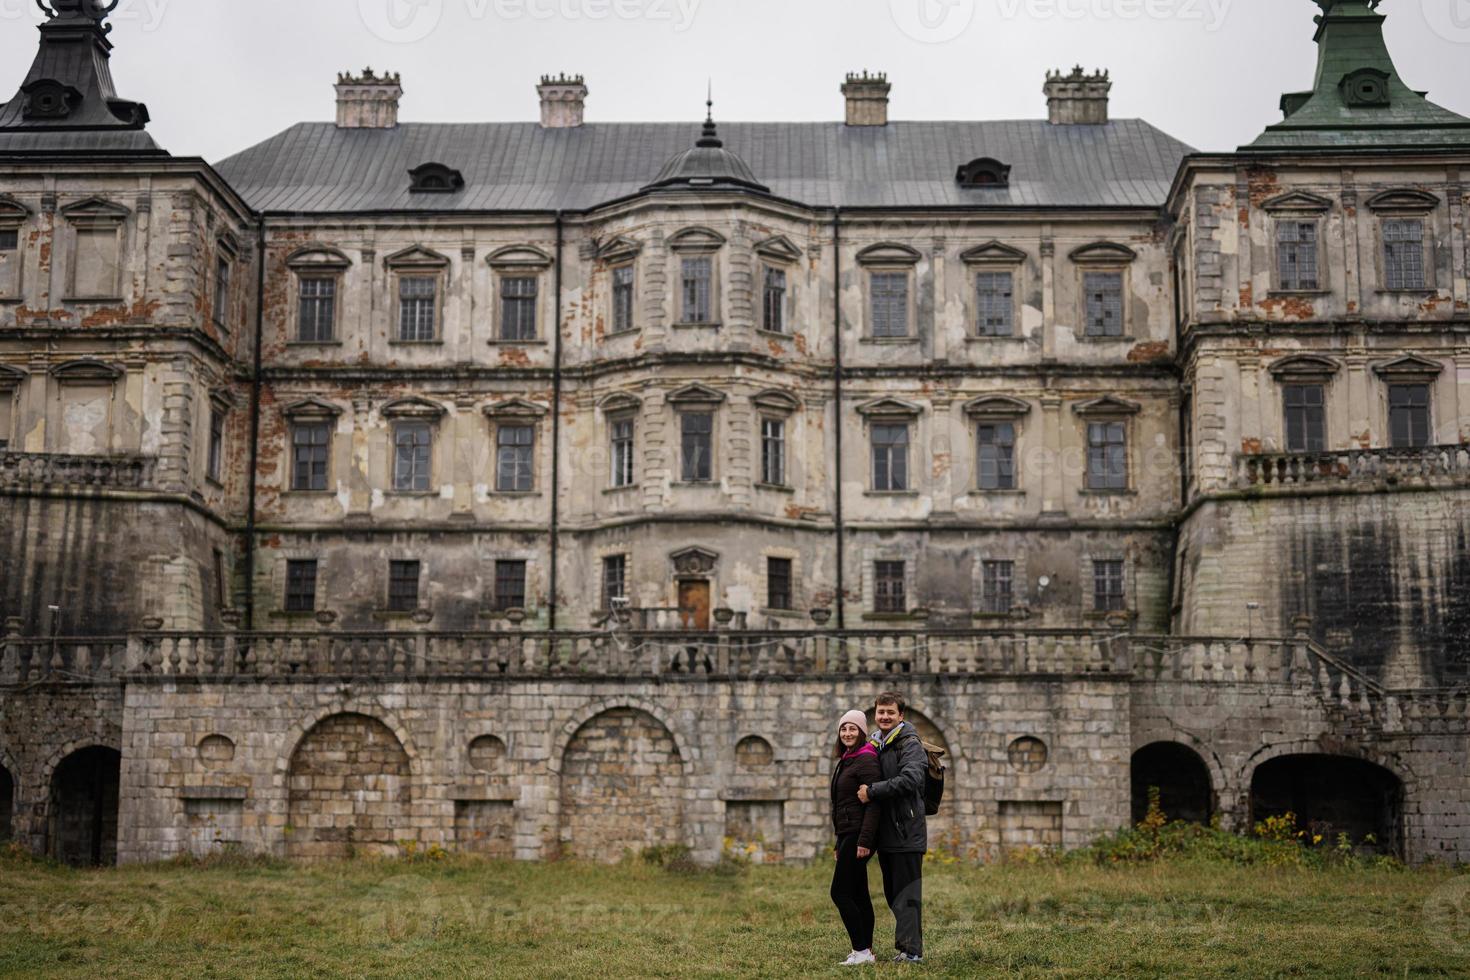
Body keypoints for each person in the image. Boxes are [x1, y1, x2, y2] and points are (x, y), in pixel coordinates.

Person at [857, 691, 928, 964]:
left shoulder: (909, 743)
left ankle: (912, 953)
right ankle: (905, 948)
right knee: (894, 894)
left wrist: (872, 791)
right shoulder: (878, 742)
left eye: (890, 712)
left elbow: (910, 779)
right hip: (887, 833)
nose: (884, 717)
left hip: (907, 831)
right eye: (880, 712)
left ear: (901, 715)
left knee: (907, 895)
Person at [829, 709, 881, 967]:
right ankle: (865, 951)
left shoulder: (867, 759)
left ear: (862, 732)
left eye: (853, 729)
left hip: (859, 834)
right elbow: (843, 803)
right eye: (843, 729)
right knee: (859, 893)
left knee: (839, 892)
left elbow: (874, 804)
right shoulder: (848, 759)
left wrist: (865, 841)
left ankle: (861, 949)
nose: (847, 733)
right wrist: (840, 842)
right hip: (848, 833)